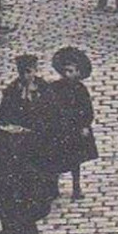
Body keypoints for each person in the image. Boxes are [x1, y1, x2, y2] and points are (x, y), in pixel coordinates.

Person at [44, 45, 96, 200]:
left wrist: (85, 125)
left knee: (75, 160)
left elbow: (88, 110)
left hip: (75, 129)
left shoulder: (81, 89)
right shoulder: (55, 88)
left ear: (79, 72)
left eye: (72, 71)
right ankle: (53, 188)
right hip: (59, 128)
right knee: (55, 158)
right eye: (66, 71)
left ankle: (76, 186)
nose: (68, 74)